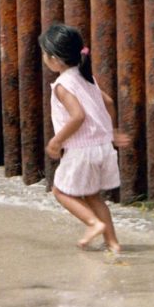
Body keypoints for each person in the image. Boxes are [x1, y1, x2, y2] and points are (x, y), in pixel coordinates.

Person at [40, 23, 131, 253]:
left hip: (82, 150)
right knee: (92, 196)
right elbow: (108, 103)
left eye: (44, 53)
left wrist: (56, 141)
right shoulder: (86, 77)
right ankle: (113, 243)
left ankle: (93, 224)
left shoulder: (62, 85)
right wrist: (113, 132)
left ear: (54, 59)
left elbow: (77, 116)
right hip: (102, 147)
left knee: (60, 191)